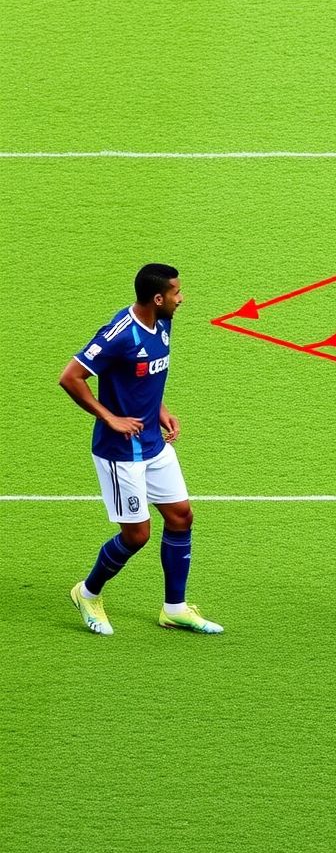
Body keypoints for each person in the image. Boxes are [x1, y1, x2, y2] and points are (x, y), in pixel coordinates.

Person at [58, 263, 222, 636]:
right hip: (120, 451)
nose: (182, 299)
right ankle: (87, 593)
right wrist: (109, 417)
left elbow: (146, 375)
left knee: (181, 517)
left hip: (153, 443)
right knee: (137, 536)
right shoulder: (119, 334)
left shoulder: (162, 323)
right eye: (177, 293)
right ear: (158, 298)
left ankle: (174, 608)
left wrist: (160, 411)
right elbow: (70, 377)